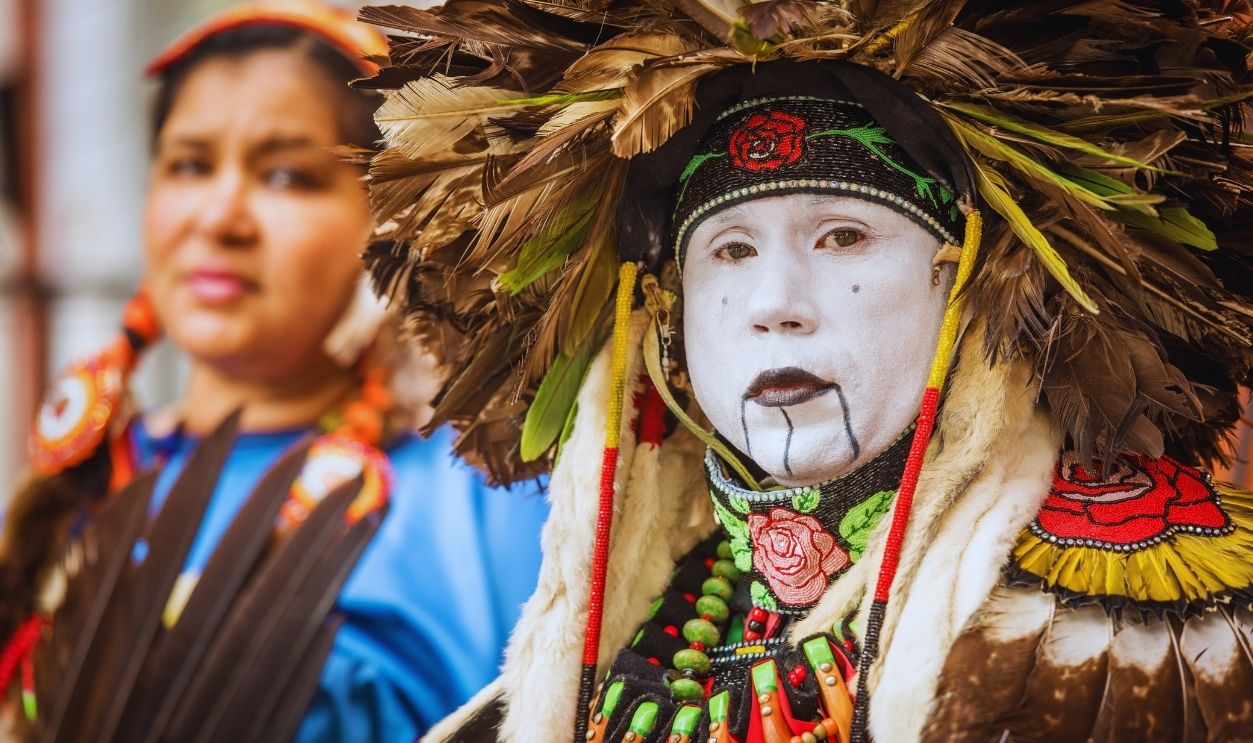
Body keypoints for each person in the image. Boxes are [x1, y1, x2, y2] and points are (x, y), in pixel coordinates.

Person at [355, 1, 1253, 741]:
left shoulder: (1143, 616)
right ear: (667, 323)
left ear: (969, 283)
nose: (773, 302)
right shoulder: (621, 648)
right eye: (732, 250)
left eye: (842, 237)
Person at [0, 3, 547, 741]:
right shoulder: (88, 487)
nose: (220, 216)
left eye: (287, 175)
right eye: (189, 164)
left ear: (388, 219)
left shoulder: (491, 496)